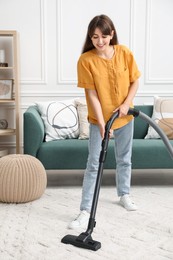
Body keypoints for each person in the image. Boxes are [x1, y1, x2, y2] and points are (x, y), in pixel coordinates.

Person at [68, 14, 141, 229]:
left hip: (125, 117)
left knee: (124, 159)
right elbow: (91, 95)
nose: (100, 41)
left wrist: (127, 104)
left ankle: (124, 194)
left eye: (104, 36)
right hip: (99, 119)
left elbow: (135, 81)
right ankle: (85, 210)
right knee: (93, 164)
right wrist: (101, 124)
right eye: (95, 37)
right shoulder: (86, 60)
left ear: (112, 34)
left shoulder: (125, 53)